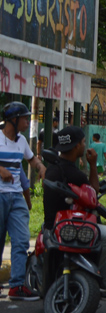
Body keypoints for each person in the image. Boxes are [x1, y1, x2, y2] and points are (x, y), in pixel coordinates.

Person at [44, 125, 106, 302]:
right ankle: (105, 283)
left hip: (51, 227)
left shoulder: (53, 169)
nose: (85, 145)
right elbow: (93, 193)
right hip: (72, 227)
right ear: (76, 146)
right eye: (83, 142)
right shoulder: (75, 174)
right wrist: (92, 165)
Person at [1, 102, 46, 301]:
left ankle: (17, 286)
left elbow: (32, 160)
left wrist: (41, 168)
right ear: (14, 119)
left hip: (16, 196)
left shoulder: (21, 142)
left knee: (21, 240)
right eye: (25, 118)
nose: (28, 122)